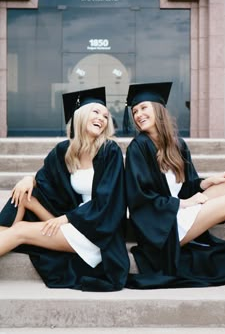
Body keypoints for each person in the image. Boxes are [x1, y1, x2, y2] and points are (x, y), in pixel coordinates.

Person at [0, 86, 129, 291]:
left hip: (97, 230)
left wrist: (67, 218)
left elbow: (109, 200)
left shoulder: (109, 151)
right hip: (72, 221)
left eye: (105, 115)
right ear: (81, 116)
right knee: (23, 195)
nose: (102, 118)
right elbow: (44, 180)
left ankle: (6, 238)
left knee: (21, 230)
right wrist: (28, 179)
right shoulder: (64, 150)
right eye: (96, 112)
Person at [124, 82, 225, 289]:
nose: (138, 114)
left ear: (158, 110)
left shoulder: (178, 145)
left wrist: (207, 182)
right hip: (161, 227)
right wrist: (182, 204)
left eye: (143, 108)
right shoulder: (138, 148)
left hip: (179, 214)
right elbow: (140, 197)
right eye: (135, 111)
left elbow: (186, 186)